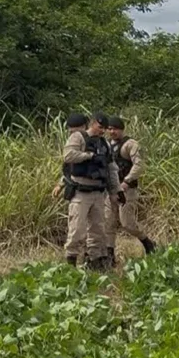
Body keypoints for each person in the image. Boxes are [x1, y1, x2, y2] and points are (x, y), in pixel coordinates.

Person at [62, 112, 118, 269]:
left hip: (98, 192)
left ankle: (94, 262)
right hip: (81, 191)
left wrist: (116, 191)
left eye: (105, 128)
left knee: (98, 229)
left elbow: (112, 169)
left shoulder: (104, 144)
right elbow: (68, 155)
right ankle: (70, 262)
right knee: (77, 230)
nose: (103, 131)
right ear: (92, 124)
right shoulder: (79, 138)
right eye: (100, 127)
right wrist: (89, 156)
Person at [105, 116, 157, 261]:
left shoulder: (130, 144)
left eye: (115, 129)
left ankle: (148, 243)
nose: (112, 131)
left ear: (121, 129)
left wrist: (127, 180)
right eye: (109, 129)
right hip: (111, 190)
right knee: (108, 222)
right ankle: (110, 255)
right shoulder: (106, 145)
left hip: (127, 189)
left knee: (127, 222)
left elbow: (139, 165)